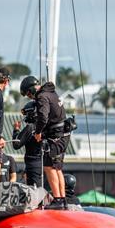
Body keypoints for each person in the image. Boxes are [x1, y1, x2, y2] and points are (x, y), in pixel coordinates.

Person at [33, 81, 69, 209]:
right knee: (57, 167)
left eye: (29, 95)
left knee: (49, 167)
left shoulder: (42, 96)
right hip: (63, 134)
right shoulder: (52, 93)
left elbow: (43, 116)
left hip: (55, 136)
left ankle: (58, 200)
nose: (31, 98)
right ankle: (62, 199)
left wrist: (38, 132)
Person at [13, 77, 44, 187]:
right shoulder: (44, 125)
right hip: (43, 162)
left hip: (33, 164)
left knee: (35, 192)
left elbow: (16, 144)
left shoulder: (30, 127)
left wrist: (16, 130)